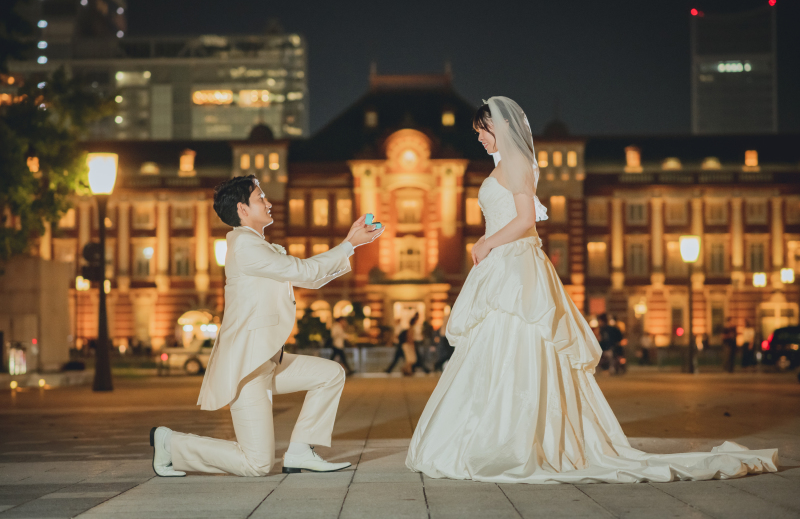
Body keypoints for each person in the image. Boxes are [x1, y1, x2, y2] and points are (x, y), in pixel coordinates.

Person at [405, 96, 777, 483]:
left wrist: (486, 243)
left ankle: (514, 438)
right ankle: (492, 432)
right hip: (504, 264)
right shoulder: (507, 164)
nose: (479, 139)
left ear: (497, 127)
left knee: (519, 342)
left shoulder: (516, 163)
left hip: (512, 261)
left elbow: (527, 220)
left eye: (482, 131)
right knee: (498, 347)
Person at [149, 175, 383, 477]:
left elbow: (309, 277)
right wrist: (349, 244)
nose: (269, 203)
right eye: (261, 198)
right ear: (242, 209)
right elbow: (305, 271)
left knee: (330, 374)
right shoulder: (246, 247)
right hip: (247, 369)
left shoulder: (256, 245)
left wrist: (349, 244)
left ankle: (300, 450)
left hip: (267, 361)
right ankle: (170, 444)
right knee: (257, 464)